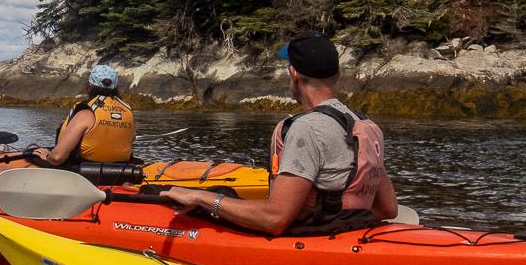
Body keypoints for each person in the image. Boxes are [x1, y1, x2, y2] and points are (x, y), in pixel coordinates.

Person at [164, 32, 397, 233]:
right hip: (348, 232)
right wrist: (344, 222)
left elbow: (275, 219)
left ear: (293, 73)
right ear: (337, 75)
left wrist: (202, 198)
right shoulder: (366, 125)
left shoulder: (307, 128)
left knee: (212, 199)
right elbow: (388, 209)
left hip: (313, 238)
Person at [26, 64, 134, 166]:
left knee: (31, 153)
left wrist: (47, 156)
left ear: (90, 86)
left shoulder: (86, 114)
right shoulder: (128, 113)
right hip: (122, 172)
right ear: (115, 87)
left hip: (87, 173)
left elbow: (56, 158)